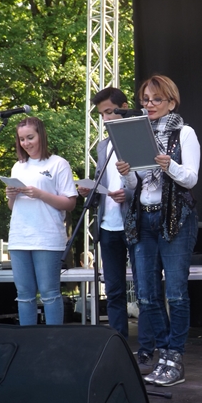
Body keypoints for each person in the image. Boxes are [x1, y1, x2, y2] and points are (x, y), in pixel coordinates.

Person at [117, 75, 200, 387]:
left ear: (171, 102)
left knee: (176, 293)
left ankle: (175, 357)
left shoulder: (184, 133)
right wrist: (126, 175)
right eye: (145, 99)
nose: (149, 104)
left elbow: (190, 179)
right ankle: (163, 353)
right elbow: (134, 186)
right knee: (147, 296)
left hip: (175, 218)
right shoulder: (136, 134)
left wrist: (169, 166)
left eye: (156, 99)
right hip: (144, 218)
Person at [78, 87, 155, 375]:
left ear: (124, 107)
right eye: (102, 115)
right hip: (108, 225)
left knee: (144, 291)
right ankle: (118, 347)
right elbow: (104, 181)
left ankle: (146, 350)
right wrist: (90, 190)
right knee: (113, 291)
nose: (106, 119)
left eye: (110, 112)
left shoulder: (137, 139)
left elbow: (150, 182)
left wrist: (129, 193)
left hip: (135, 223)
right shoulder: (103, 146)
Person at [5, 116, 78, 326]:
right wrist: (11, 195)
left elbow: (70, 203)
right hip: (19, 237)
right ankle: (27, 339)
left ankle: (52, 339)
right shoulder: (18, 166)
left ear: (41, 136)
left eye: (30, 137)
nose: (26, 143)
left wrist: (40, 194)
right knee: (24, 294)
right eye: (21, 139)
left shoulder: (58, 163)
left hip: (47, 237)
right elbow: (13, 207)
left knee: (49, 292)